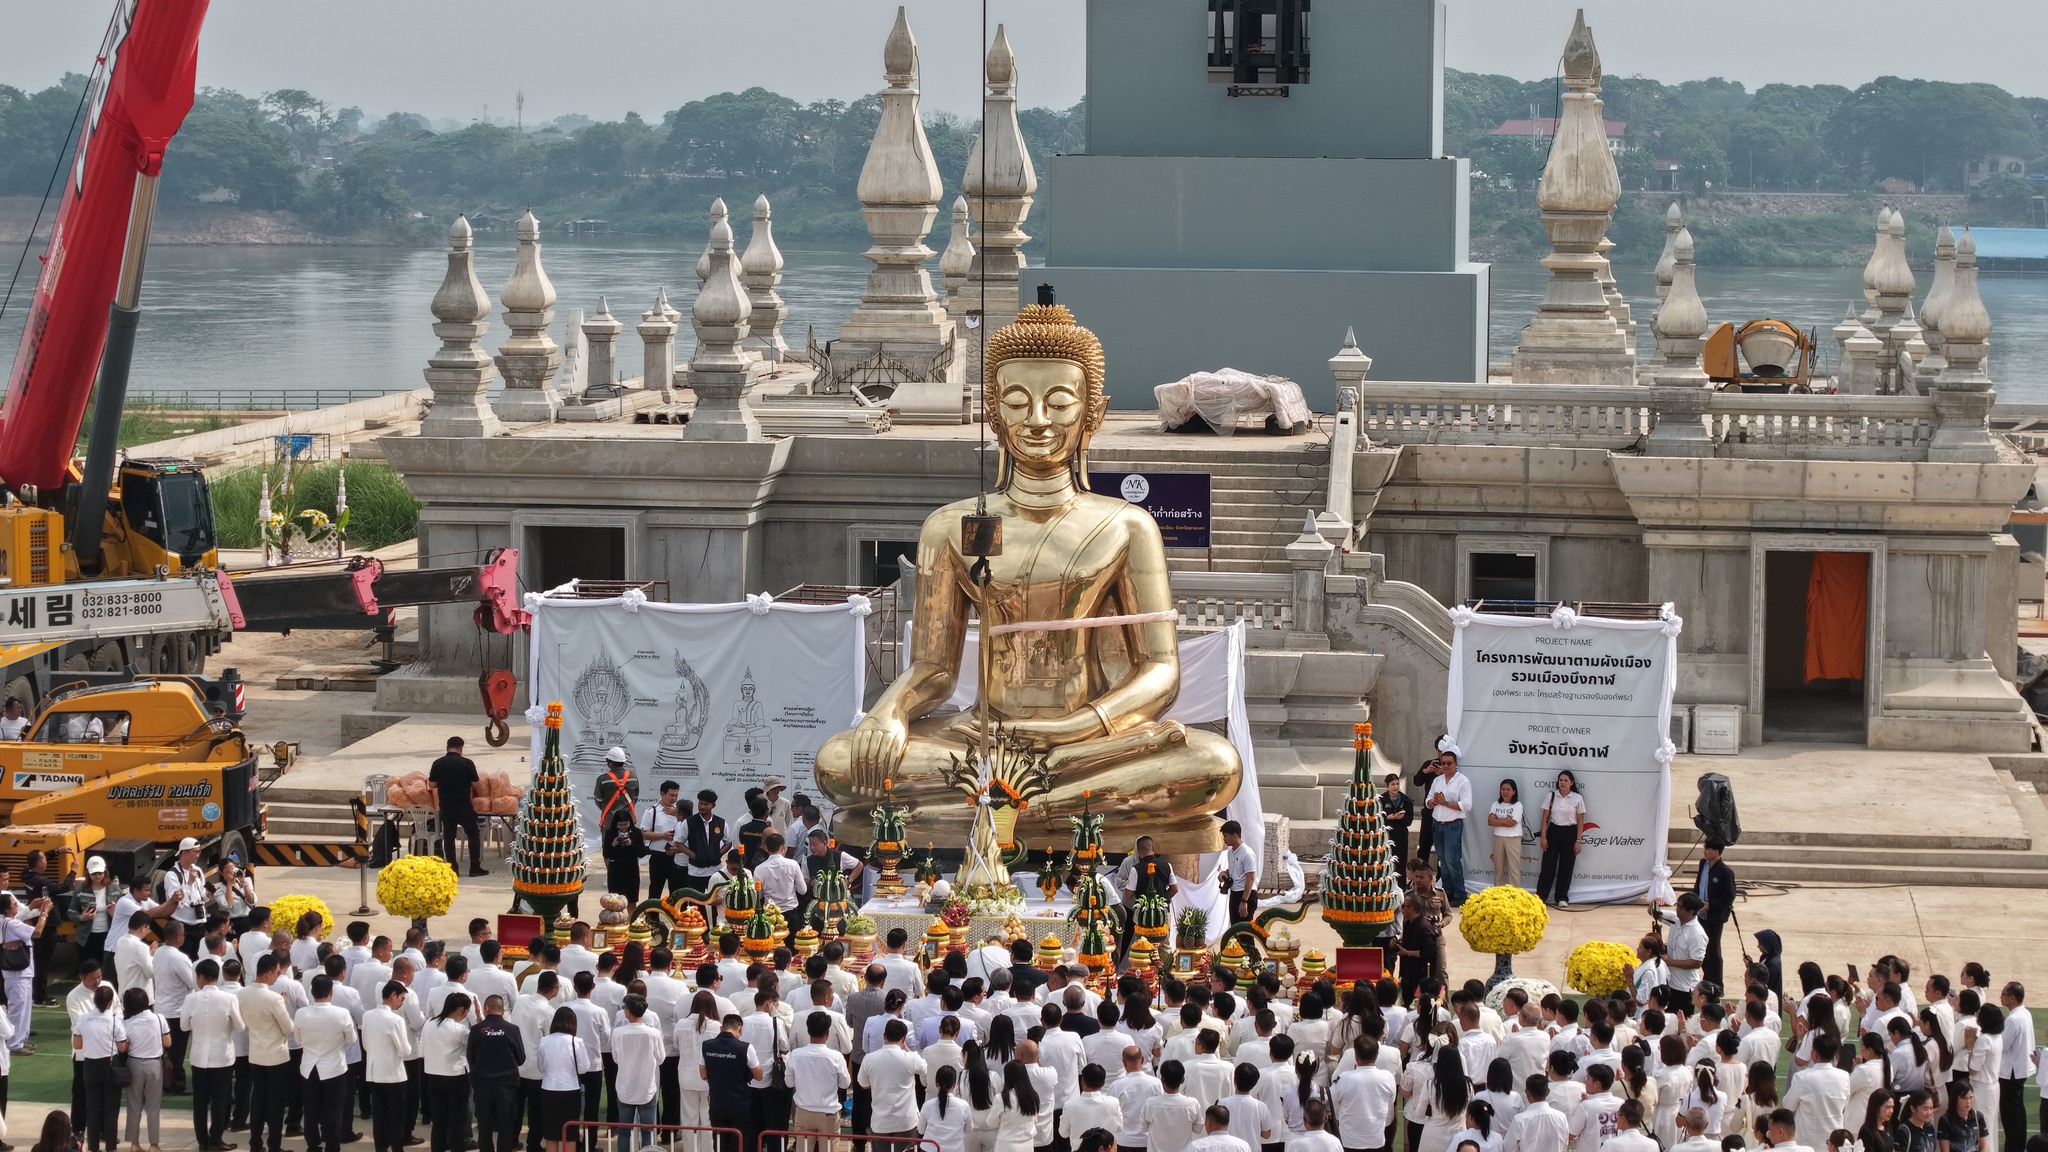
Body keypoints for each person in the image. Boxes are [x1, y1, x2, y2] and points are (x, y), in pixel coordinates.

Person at [184, 957, 244, 1150]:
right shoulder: (228, 998)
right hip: (222, 1056)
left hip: (199, 1056)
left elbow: (184, 1025)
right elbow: (240, 1026)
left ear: (201, 978)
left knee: (199, 1101)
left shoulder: (191, 998)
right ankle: (216, 1140)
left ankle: (202, 1141)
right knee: (220, 1099)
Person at [298, 974, 362, 1152]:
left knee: (310, 1110)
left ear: (311, 992)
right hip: (334, 1068)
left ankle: (313, 1146)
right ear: (331, 992)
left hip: (309, 1067)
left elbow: (298, 1038)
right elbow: (351, 1039)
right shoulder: (341, 1014)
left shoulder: (301, 1013)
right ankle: (332, 1147)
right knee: (333, 1111)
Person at [73, 983, 127, 1152]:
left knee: (92, 1108)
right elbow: (122, 1047)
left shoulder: (83, 1018)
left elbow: (77, 1044)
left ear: (94, 1001)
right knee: (111, 1109)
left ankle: (93, 1147)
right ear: (111, 1003)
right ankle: (110, 1147)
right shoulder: (114, 1021)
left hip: (89, 1065)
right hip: (110, 1065)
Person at [702, 1014, 766, 1152]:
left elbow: (702, 1074)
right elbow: (759, 1076)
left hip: (716, 1104)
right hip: (740, 1105)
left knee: (719, 1145)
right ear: (740, 1029)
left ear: (721, 1028)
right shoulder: (745, 1048)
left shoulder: (707, 1046)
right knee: (739, 1145)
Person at [365, 983, 415, 1152]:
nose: (402, 1002)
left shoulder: (367, 1015)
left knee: (379, 1115)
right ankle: (397, 1148)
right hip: (393, 1074)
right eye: (401, 998)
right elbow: (405, 1050)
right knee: (396, 1116)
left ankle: (381, 1147)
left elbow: (365, 1045)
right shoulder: (396, 1019)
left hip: (374, 1072)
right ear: (393, 995)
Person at [429, 737, 489, 877]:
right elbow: (476, 785)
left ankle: (452, 868)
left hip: (446, 807)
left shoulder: (438, 763)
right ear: (461, 748)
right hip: (464, 806)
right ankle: (474, 867)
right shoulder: (467, 763)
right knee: (473, 834)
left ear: (447, 747)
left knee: (449, 838)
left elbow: (431, 785)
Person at [1424, 752, 1472, 908]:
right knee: (1442, 861)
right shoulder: (1437, 780)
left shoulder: (1462, 781)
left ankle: (1460, 894)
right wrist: (1434, 801)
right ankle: (1448, 892)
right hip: (1437, 825)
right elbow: (1427, 802)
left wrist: (1444, 803)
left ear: (1455, 764)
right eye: (1443, 763)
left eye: (1449, 763)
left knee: (1452, 860)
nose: (1445, 766)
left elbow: (1466, 805)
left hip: (1453, 825)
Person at [537, 1009, 590, 1152]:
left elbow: (541, 1067)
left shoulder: (544, 1040)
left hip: (548, 1089)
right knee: (570, 1134)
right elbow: (584, 1068)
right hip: (570, 1090)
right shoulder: (576, 1041)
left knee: (551, 1134)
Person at [1330, 1041, 1398, 1152]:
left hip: (1350, 1141)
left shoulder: (1344, 1078)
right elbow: (1391, 1102)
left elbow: (1332, 1101)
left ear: (1356, 1057)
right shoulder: (1388, 1077)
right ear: (1376, 1055)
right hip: (1375, 1141)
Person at [1535, 772, 1586, 910]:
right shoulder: (1551, 796)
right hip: (1553, 832)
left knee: (1566, 866)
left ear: (1571, 783)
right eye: (1561, 780)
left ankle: (1562, 897)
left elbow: (1581, 820)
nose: (1563, 782)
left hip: (1570, 833)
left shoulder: (1577, 798)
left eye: (1566, 780)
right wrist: (1544, 837)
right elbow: (1545, 817)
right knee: (1548, 866)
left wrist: (1578, 840)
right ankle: (1540, 897)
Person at [1994, 984, 2030, 1152]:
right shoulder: (2024, 1013)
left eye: (2003, 994)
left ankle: (2013, 1147)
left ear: (2012, 998)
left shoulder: (2013, 1019)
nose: (2001, 997)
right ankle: (2019, 1144)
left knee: (2010, 1114)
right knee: (2018, 1110)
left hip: (2011, 1071)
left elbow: (2003, 1045)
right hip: (2020, 1068)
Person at [1694, 846, 1736, 988]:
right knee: (1702, 948)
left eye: (1708, 849)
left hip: (1714, 917)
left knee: (1713, 949)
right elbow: (1698, 884)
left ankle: (1717, 984)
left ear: (1717, 852)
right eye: (1705, 848)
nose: (1705, 851)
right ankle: (1707, 978)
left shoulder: (1725, 872)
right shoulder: (1703, 864)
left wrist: (1711, 905)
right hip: (1700, 913)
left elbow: (1729, 896)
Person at [679, 791, 731, 896]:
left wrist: (718, 854)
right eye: (700, 803)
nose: (702, 807)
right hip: (695, 871)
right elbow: (678, 843)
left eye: (706, 804)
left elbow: (728, 842)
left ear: (713, 805)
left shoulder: (721, 822)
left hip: (715, 870)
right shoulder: (689, 822)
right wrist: (694, 856)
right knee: (696, 904)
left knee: (717, 901)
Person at [604, 809, 648, 905]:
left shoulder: (636, 832)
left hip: (631, 872)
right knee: (615, 903)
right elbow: (606, 854)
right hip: (615, 872)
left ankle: (631, 919)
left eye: (625, 824)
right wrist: (613, 844)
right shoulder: (610, 833)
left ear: (630, 822)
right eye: (620, 825)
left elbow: (642, 853)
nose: (623, 827)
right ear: (615, 824)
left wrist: (631, 844)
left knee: (631, 901)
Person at [1665, 897, 1708, 997]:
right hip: (1670, 983)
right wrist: (1655, 901)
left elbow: (1697, 962)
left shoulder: (1697, 934)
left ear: (1692, 911)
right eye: (1677, 905)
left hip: (1684, 988)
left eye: (1680, 907)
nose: (1677, 909)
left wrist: (1670, 962)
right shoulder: (1675, 919)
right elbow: (1653, 911)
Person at [1486, 780, 1524, 889]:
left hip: (1513, 838)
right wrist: (1504, 821)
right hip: (1498, 837)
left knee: (1513, 869)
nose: (1505, 792)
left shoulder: (1517, 805)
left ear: (1514, 792)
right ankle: (1497, 894)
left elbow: (1512, 823)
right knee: (1498, 868)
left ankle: (1514, 896)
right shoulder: (1495, 804)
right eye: (1503, 789)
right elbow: (1489, 821)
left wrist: (1497, 821)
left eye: (1508, 789)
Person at [1222, 822, 1259, 925]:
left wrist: (1244, 901)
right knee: (1235, 929)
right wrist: (1224, 873)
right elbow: (1234, 870)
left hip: (1245, 894)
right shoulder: (1230, 852)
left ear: (1234, 835)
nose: (1224, 839)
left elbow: (1250, 879)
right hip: (1234, 894)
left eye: (1226, 836)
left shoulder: (1247, 854)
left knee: (1245, 930)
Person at [1382, 775, 1414, 878]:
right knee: (1386, 862)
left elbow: (1409, 821)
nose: (1395, 787)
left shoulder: (1406, 800)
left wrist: (1401, 818)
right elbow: (1376, 819)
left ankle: (1401, 888)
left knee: (1400, 863)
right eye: (1392, 784)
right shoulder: (1381, 800)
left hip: (1401, 836)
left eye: (1397, 784)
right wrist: (1387, 818)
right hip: (1387, 836)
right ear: (1387, 786)